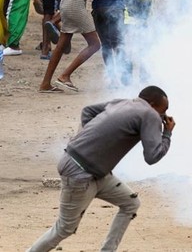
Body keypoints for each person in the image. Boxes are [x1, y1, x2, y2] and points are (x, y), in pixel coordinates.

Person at [27, 86, 175, 252]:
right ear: (153, 104)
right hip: (80, 173)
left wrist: (93, 143)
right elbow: (152, 156)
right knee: (64, 228)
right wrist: (167, 134)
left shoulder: (122, 103)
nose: (165, 114)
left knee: (130, 203)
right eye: (165, 109)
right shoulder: (150, 115)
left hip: (93, 170)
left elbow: (87, 112)